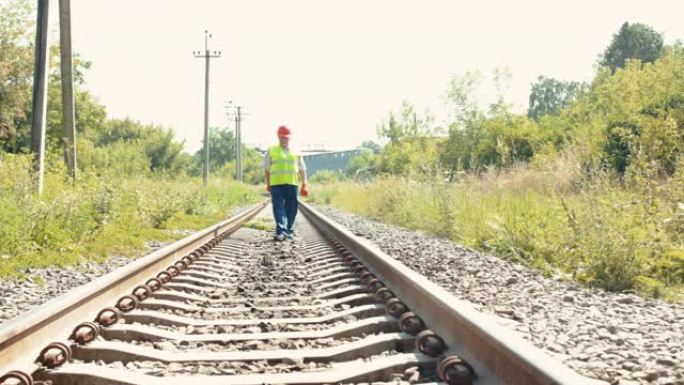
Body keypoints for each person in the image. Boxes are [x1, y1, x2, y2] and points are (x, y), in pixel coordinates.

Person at [263, 125, 308, 241]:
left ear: (290, 138)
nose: (284, 140)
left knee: (292, 208)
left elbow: (302, 169)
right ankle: (281, 231)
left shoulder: (296, 151)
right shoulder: (272, 150)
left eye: (286, 138)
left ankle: (289, 230)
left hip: (292, 184)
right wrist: (268, 184)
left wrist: (304, 184)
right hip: (276, 184)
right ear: (278, 137)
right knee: (278, 207)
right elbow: (267, 169)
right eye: (282, 137)